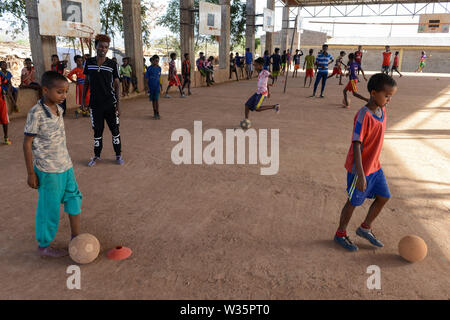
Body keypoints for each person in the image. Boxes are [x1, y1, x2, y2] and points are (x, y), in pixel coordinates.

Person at [334, 73, 397, 251]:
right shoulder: (363, 115)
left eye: (391, 96)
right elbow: (356, 145)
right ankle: (340, 233)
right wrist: (361, 176)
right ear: (373, 93)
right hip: (359, 169)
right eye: (386, 95)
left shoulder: (382, 110)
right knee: (353, 202)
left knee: (384, 197)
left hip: (375, 167)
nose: (389, 99)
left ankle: (365, 228)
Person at [23, 71, 82, 257]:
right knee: (50, 207)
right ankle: (44, 245)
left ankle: (76, 237)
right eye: (59, 92)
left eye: (66, 91)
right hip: (48, 170)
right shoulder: (36, 113)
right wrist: (31, 173)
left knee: (74, 198)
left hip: (65, 165)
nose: (64, 96)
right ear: (45, 90)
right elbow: (27, 143)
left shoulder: (60, 109)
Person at [81, 34, 124, 166]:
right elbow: (86, 82)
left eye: (106, 47)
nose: (103, 49)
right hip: (95, 105)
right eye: (101, 46)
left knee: (115, 130)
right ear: (96, 47)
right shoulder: (89, 63)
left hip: (110, 104)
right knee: (97, 131)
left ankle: (118, 155)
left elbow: (117, 85)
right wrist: (83, 101)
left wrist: (118, 105)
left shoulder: (112, 64)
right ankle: (96, 156)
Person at [145, 54, 162, 119]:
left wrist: (161, 86)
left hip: (157, 87)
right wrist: (147, 86)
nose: (156, 62)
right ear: (152, 61)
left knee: (157, 100)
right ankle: (154, 112)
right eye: (155, 61)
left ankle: (157, 112)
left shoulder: (159, 68)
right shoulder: (149, 68)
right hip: (151, 87)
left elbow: (159, 78)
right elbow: (146, 78)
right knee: (153, 100)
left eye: (157, 61)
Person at [0, 72, 11, 145]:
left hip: (1, 99)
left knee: (4, 120)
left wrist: (4, 90)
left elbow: (7, 82)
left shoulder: (0, 75)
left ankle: (6, 138)